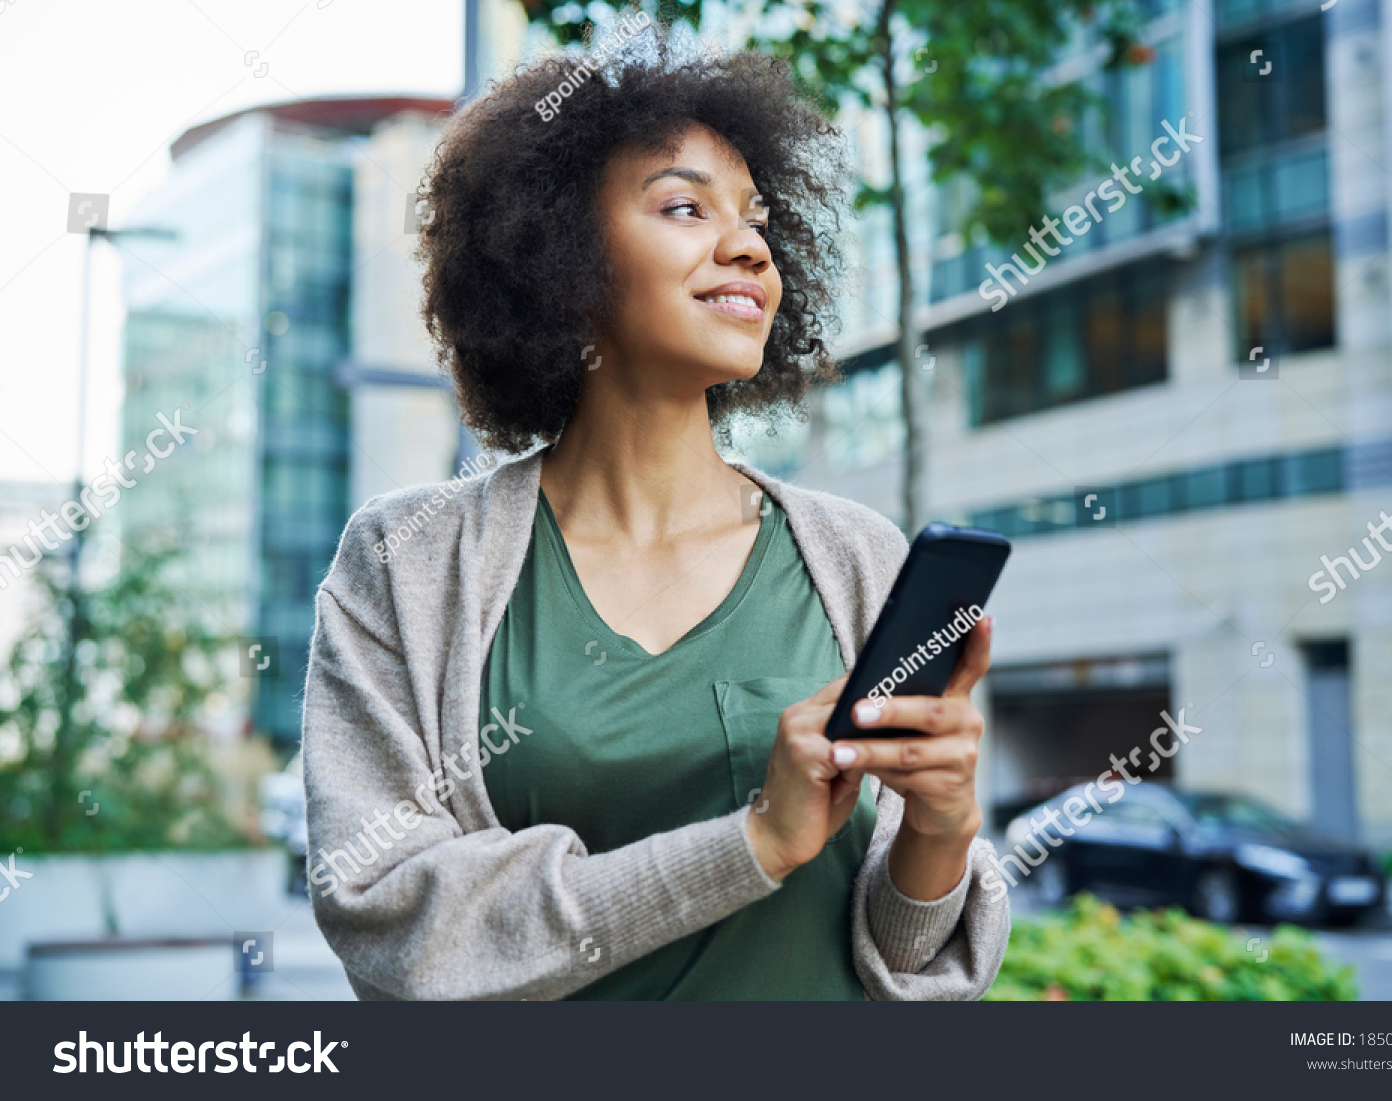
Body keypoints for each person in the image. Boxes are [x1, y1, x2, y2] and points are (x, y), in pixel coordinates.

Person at [301, 28, 1009, 1000]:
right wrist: (753, 841)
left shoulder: (857, 558)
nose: (748, 247)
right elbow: (393, 918)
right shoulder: (410, 561)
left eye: (758, 222)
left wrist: (942, 828)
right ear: (560, 257)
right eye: (684, 206)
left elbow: (908, 958)